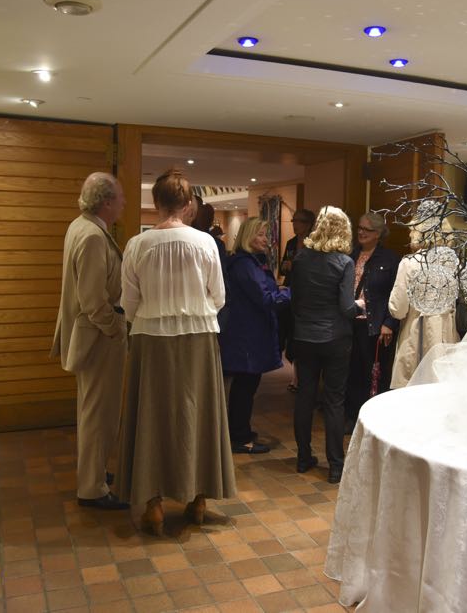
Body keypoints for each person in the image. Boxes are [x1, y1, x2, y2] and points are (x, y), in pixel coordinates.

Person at [116, 168, 235, 535]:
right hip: (198, 339)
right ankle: (197, 499)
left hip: (151, 338)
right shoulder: (205, 243)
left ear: (156, 202)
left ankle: (153, 503)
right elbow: (219, 296)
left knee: (152, 416)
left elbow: (128, 302)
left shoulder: (138, 244)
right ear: (187, 204)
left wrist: (152, 315)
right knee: (197, 415)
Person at [51, 172, 129, 510]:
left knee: (91, 411)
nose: (124, 202)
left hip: (91, 336)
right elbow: (94, 301)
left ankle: (92, 474)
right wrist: (116, 329)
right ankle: (93, 488)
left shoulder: (81, 226)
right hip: (99, 339)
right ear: (107, 202)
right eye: (120, 197)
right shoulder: (93, 236)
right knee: (100, 415)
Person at [290, 206, 361, 484]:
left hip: (304, 336)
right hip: (335, 338)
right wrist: (360, 305)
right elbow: (346, 308)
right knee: (334, 401)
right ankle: (335, 465)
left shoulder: (301, 258)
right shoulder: (344, 262)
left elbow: (295, 301)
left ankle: (303, 457)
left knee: (304, 397)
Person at [219, 217, 291, 454]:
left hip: (248, 332)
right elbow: (266, 299)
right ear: (248, 237)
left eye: (265, 234)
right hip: (246, 335)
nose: (266, 240)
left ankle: (240, 431)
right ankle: (240, 437)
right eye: (260, 234)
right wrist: (290, 293)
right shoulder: (245, 265)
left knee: (246, 387)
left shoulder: (251, 262)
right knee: (245, 387)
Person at [388, 219, 459, 388]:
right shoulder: (453, 264)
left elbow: (398, 309)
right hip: (446, 333)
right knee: (439, 387)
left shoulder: (411, 263)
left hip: (417, 333)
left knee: (413, 389)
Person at [346, 212, 400, 430]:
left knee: (375, 372)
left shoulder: (390, 259)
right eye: (359, 228)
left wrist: (389, 323)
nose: (361, 232)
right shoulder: (350, 255)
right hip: (350, 322)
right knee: (351, 372)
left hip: (376, 325)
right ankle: (352, 418)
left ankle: (374, 419)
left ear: (378, 233)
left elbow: (396, 294)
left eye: (366, 229)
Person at [278, 208, 316, 391]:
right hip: (291, 290)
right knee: (291, 333)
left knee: (302, 335)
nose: (294, 224)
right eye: (293, 220)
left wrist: (296, 265)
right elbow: (283, 268)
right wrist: (286, 266)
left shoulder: (314, 244)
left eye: (298, 221)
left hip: (308, 293)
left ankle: (302, 378)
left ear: (308, 224)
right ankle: (296, 376)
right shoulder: (292, 243)